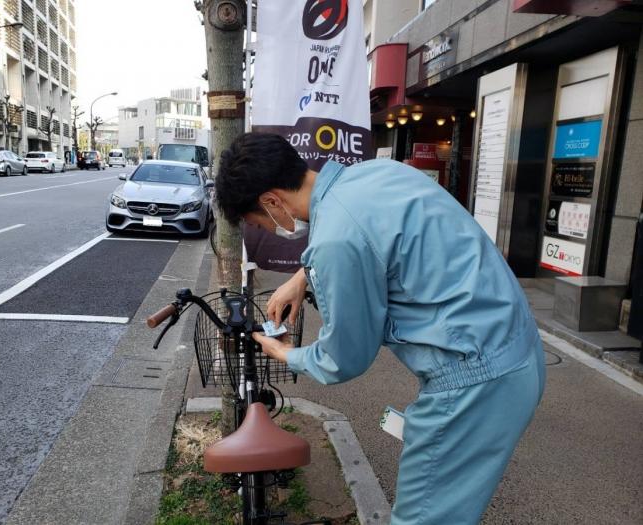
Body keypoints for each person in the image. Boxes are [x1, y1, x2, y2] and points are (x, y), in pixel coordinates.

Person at [215, 132, 545, 525]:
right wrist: (303, 277)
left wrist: (286, 353)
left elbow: (344, 357)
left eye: (260, 222)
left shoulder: (334, 241)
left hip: (472, 383)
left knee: (422, 517)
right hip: (516, 348)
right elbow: (372, 235)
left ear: (272, 201)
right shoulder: (378, 174)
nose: (269, 229)